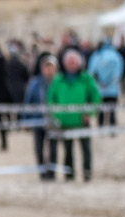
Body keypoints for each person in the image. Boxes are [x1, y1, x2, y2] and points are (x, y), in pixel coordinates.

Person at [48, 49, 101, 181]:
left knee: (86, 149)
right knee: (67, 150)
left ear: (79, 63)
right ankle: (69, 174)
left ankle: (87, 173)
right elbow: (51, 99)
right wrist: (57, 114)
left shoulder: (86, 78)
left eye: (74, 62)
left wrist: (89, 112)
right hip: (65, 122)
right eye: (69, 62)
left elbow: (96, 97)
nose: (71, 65)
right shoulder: (58, 80)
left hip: (82, 121)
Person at [24, 54, 58, 180]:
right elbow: (28, 101)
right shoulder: (35, 83)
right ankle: (42, 173)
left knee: (53, 148)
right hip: (38, 120)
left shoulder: (58, 82)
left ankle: (52, 173)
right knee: (39, 148)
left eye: (51, 67)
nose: (49, 70)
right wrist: (26, 120)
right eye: (46, 67)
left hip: (53, 121)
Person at [87, 37, 124, 130]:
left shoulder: (96, 55)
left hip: (99, 89)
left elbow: (91, 72)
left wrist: (100, 83)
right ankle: (112, 129)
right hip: (113, 89)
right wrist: (110, 83)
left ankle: (101, 128)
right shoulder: (116, 56)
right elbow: (119, 73)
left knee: (100, 112)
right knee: (112, 111)